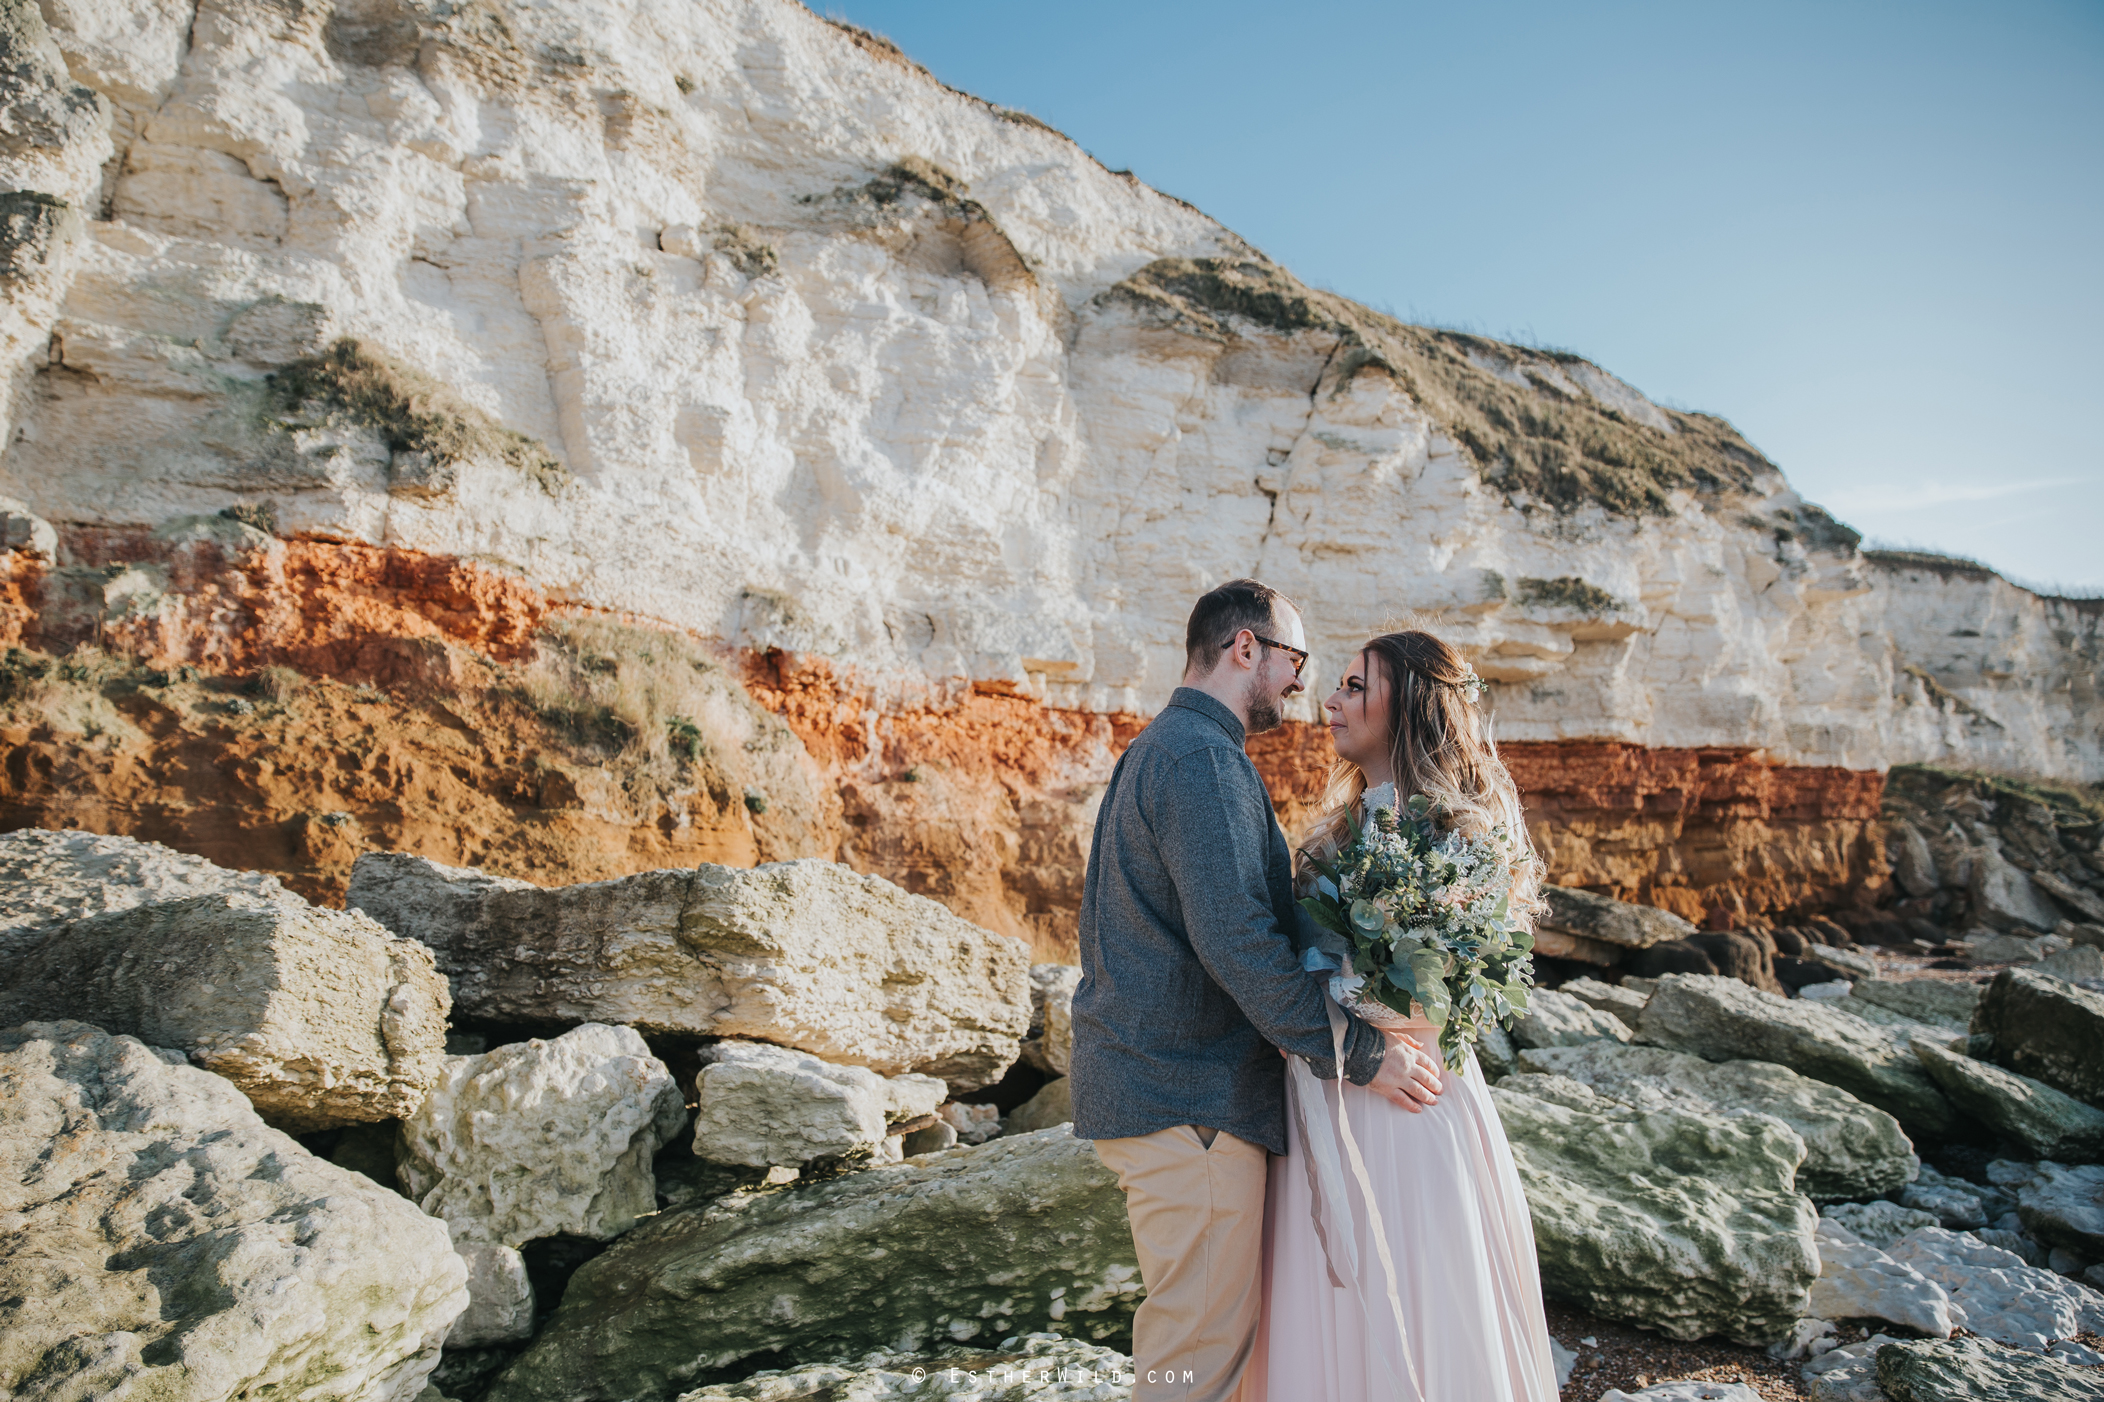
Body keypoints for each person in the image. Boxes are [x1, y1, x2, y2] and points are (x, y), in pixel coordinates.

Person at [1069, 579, 1444, 1402]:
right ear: (1247, 648)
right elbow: (1238, 942)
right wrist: (1359, 1051)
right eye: (1296, 661)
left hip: (1165, 1089)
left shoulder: (1168, 749)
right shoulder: (1203, 759)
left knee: (1200, 1345)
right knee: (1190, 1359)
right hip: (1187, 1099)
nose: (1302, 685)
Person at [1256, 628, 1560, 1402]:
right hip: (1326, 1095)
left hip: (1415, 1103)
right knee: (1327, 1311)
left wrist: (1363, 999)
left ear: (1413, 706)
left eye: (1354, 686)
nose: (1329, 699)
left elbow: (1459, 988)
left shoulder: (1462, 836)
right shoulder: (1329, 839)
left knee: (1425, 1304)